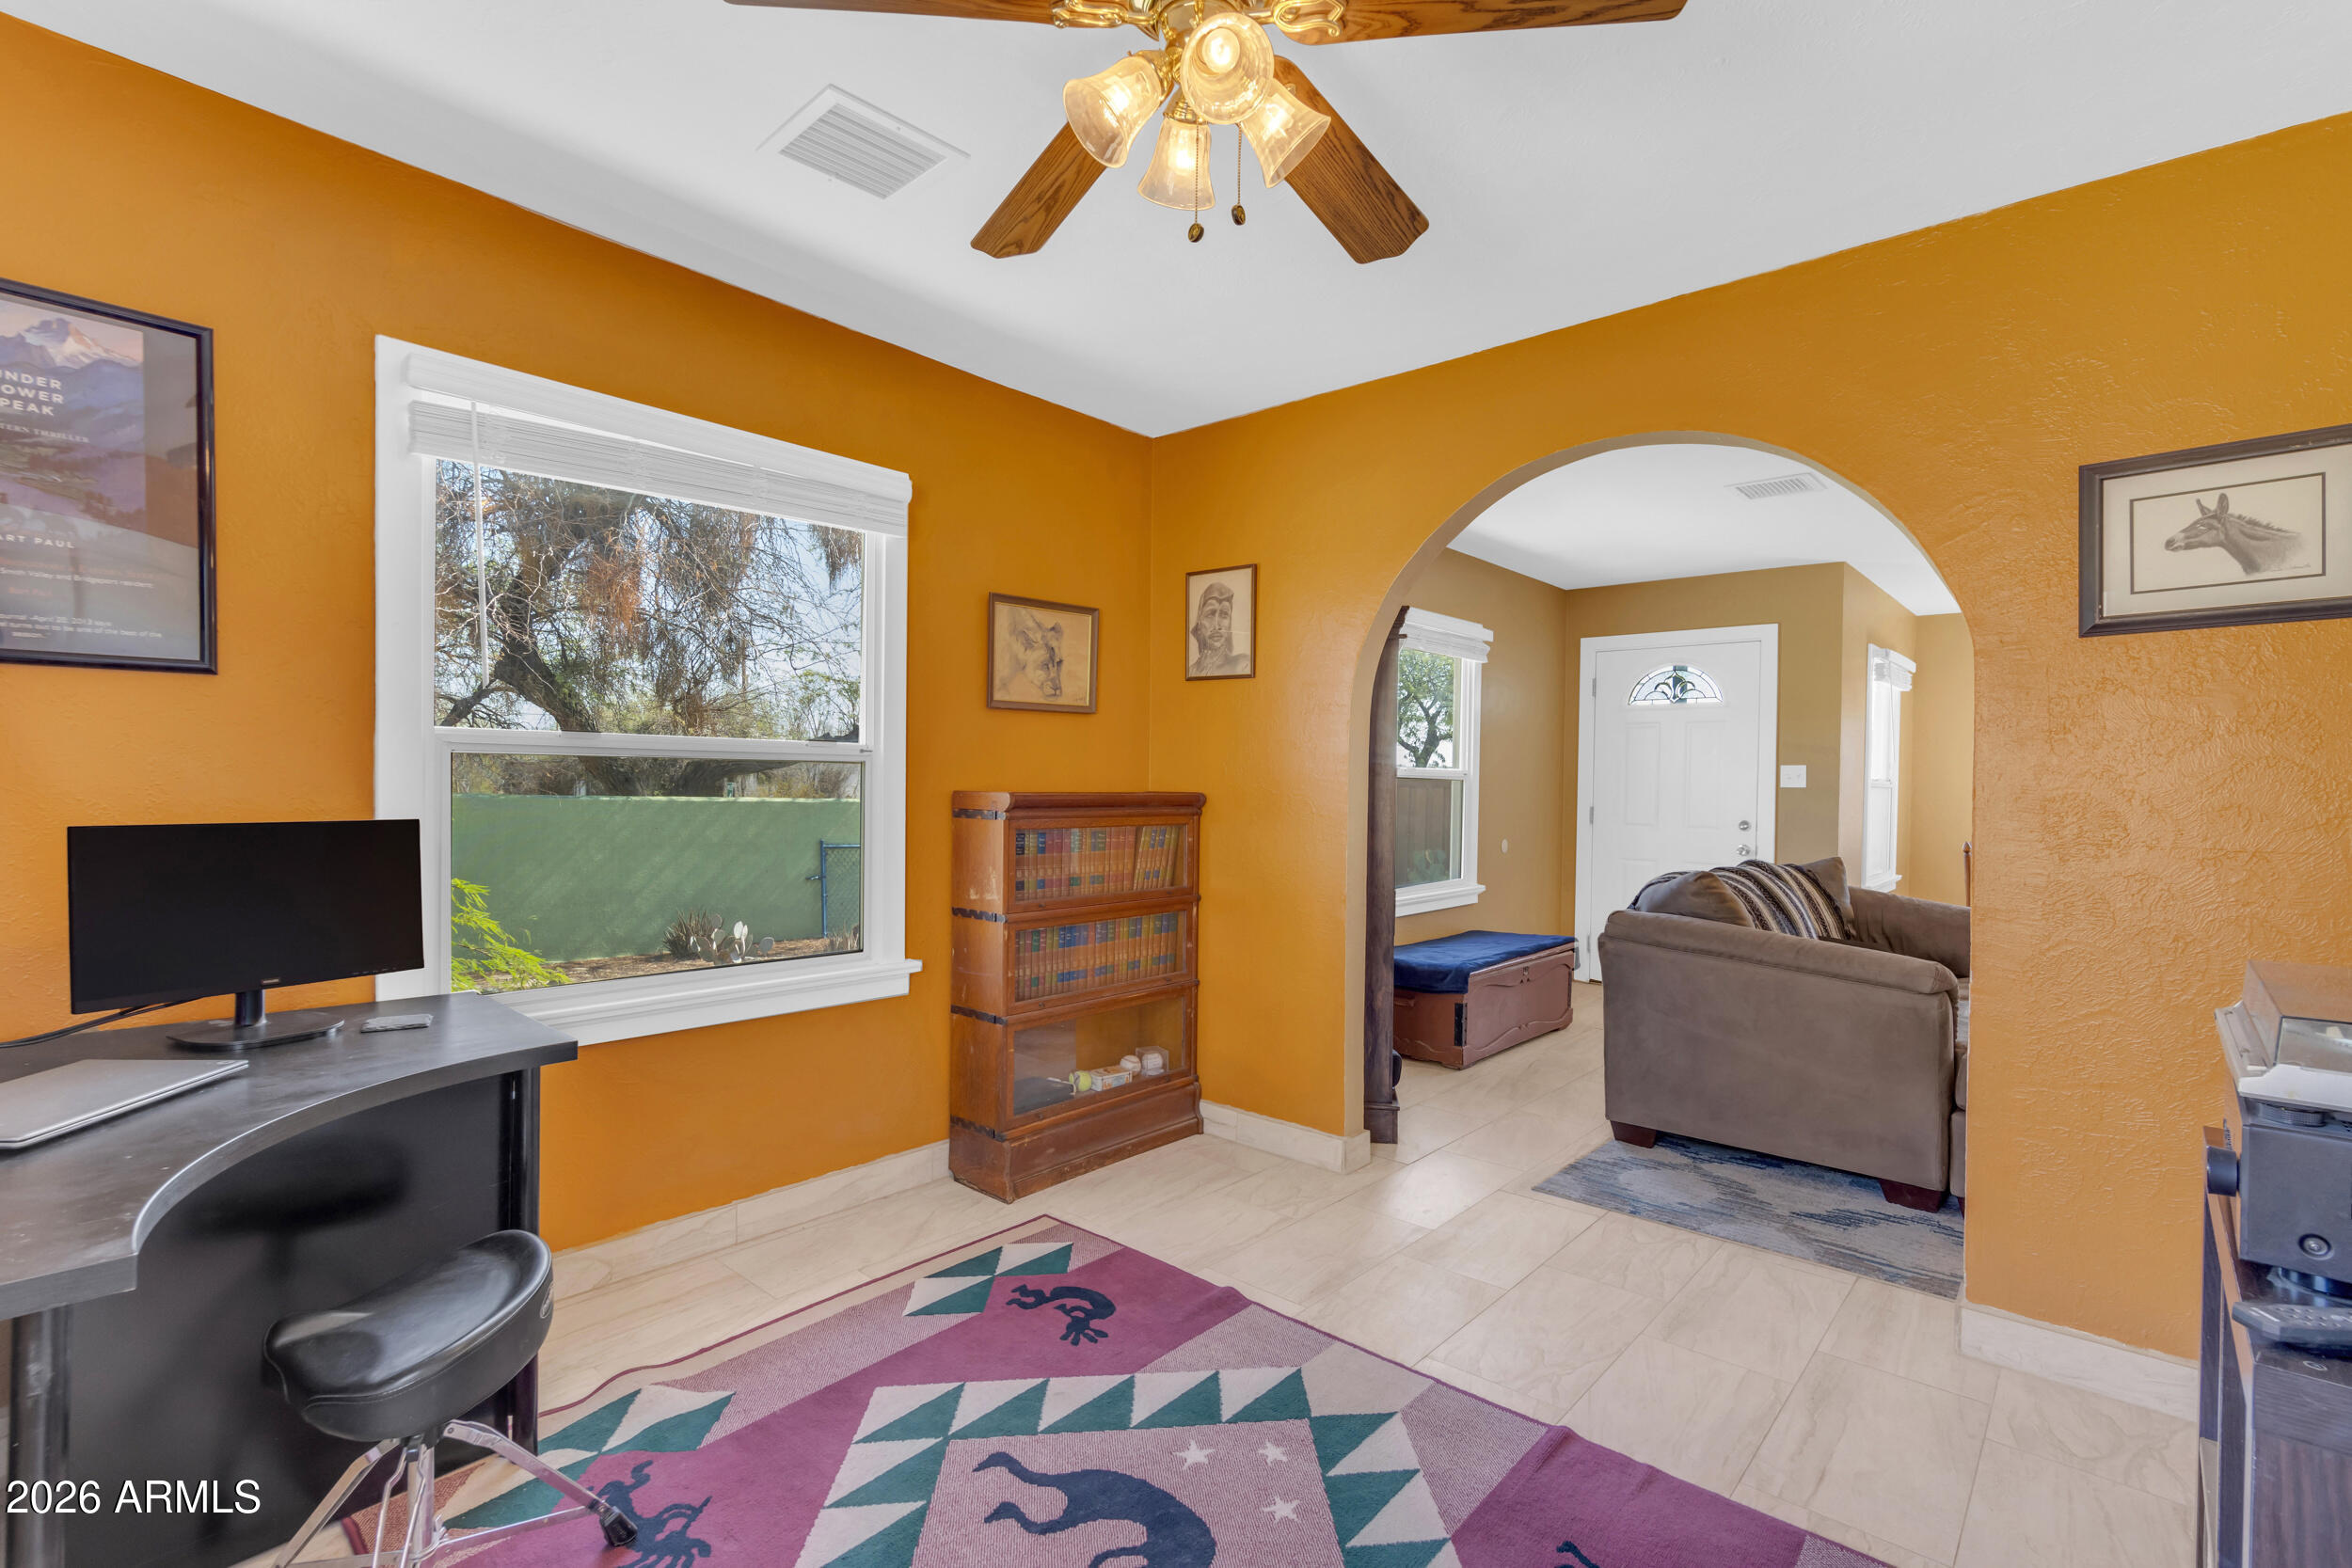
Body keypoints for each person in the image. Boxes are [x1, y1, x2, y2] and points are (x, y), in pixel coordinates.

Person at [1187, 580, 1248, 677]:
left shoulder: (1243, 665)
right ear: (1199, 624)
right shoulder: (1190, 671)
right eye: (1210, 614)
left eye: (1224, 615)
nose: (1217, 625)